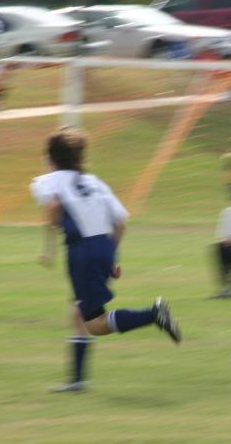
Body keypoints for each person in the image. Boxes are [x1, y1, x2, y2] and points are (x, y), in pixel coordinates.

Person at [31, 126, 181, 393]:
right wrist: (111, 255)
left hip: (81, 252)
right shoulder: (95, 182)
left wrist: (50, 247)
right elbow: (121, 222)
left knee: (95, 325)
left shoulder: (50, 180)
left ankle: (154, 314)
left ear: (52, 158)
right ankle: (76, 380)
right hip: (102, 245)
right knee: (78, 312)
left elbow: (53, 207)